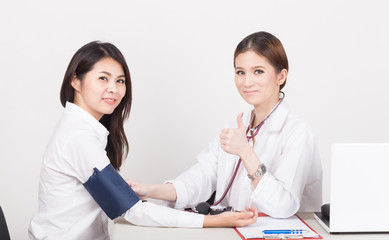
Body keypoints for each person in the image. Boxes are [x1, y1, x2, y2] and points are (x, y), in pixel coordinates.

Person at [28, 41, 258, 240]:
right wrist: (217, 222)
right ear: (75, 82)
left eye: (120, 81)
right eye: (103, 78)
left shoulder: (81, 129)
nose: (114, 89)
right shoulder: (79, 138)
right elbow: (132, 211)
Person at [128, 31, 322, 218]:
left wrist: (246, 152)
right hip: (236, 232)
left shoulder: (297, 132)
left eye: (258, 71)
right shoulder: (235, 128)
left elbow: (284, 205)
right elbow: (199, 179)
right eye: (240, 72)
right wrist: (149, 190)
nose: (247, 82)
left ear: (281, 76)